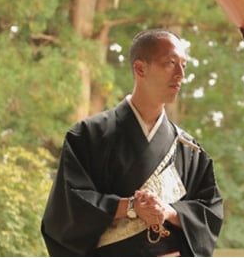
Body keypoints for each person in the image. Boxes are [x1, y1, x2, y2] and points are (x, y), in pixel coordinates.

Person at [41, 28, 224, 256]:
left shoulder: (189, 150)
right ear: (140, 68)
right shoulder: (89, 135)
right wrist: (130, 207)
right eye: (170, 63)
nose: (180, 74)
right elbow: (69, 206)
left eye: (183, 66)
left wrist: (168, 211)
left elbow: (210, 212)